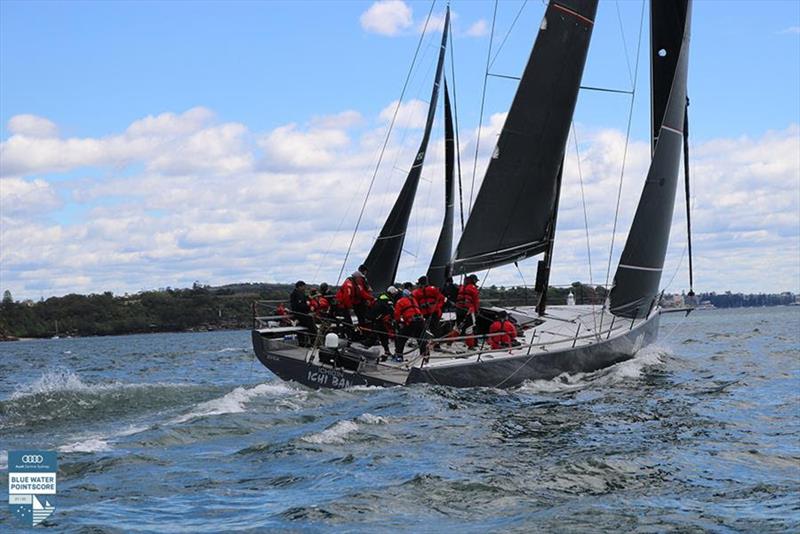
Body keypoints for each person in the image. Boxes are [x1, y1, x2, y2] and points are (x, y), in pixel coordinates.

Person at [393, 288, 427, 362]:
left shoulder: (400, 301)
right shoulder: (414, 301)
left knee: (401, 339)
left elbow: (397, 314)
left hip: (411, 322)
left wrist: (399, 322)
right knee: (420, 339)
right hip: (420, 321)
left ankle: (399, 356)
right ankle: (425, 355)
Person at [365, 286, 397, 359]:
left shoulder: (382, 297)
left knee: (383, 335)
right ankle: (363, 348)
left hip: (377, 318)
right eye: (394, 294)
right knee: (376, 336)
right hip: (379, 320)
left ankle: (387, 351)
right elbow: (391, 310)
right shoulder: (387, 300)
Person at [456, 274, 480, 348]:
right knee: (470, 328)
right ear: (473, 281)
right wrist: (477, 311)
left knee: (457, 327)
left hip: (459, 310)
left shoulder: (462, 287)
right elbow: (476, 301)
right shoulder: (473, 288)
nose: (476, 282)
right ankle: (471, 346)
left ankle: (449, 342)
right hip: (469, 310)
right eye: (476, 281)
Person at [290, 280, 317, 347]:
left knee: (312, 322)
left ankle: (312, 342)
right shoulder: (295, 294)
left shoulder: (301, 293)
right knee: (311, 325)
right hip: (299, 314)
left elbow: (305, 299)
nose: (304, 288)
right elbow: (299, 306)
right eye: (303, 287)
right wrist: (308, 307)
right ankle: (313, 342)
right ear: (299, 287)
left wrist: (308, 298)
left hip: (303, 313)